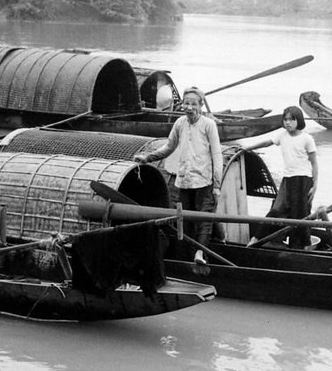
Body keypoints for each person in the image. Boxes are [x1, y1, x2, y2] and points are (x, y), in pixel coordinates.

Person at [134, 87, 223, 264]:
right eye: (186, 103)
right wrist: (147, 158)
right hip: (184, 181)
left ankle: (200, 253)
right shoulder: (180, 123)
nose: (189, 107)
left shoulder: (208, 125)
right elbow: (169, 147)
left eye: (193, 104)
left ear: (200, 106)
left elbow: (217, 155)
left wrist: (217, 185)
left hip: (204, 181)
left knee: (204, 219)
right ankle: (187, 258)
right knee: (185, 221)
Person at [242, 105, 318, 250]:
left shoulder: (307, 138)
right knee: (276, 210)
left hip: (304, 180)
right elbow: (267, 142)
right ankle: (256, 238)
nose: (288, 122)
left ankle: (303, 247)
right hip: (288, 180)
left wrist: (315, 185)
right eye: (285, 119)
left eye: (291, 119)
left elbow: (314, 163)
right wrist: (248, 148)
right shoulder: (282, 135)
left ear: (299, 120)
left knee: (301, 215)